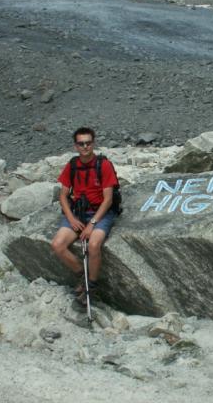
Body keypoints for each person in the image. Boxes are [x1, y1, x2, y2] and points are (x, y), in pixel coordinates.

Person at [50, 127, 119, 306]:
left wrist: (92, 224)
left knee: (94, 244)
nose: (85, 146)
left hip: (100, 213)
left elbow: (108, 199)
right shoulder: (72, 165)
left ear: (93, 143)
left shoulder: (103, 164)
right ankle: (84, 277)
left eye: (88, 143)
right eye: (81, 143)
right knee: (58, 245)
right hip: (78, 213)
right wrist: (71, 218)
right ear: (76, 146)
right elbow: (63, 195)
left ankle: (92, 286)